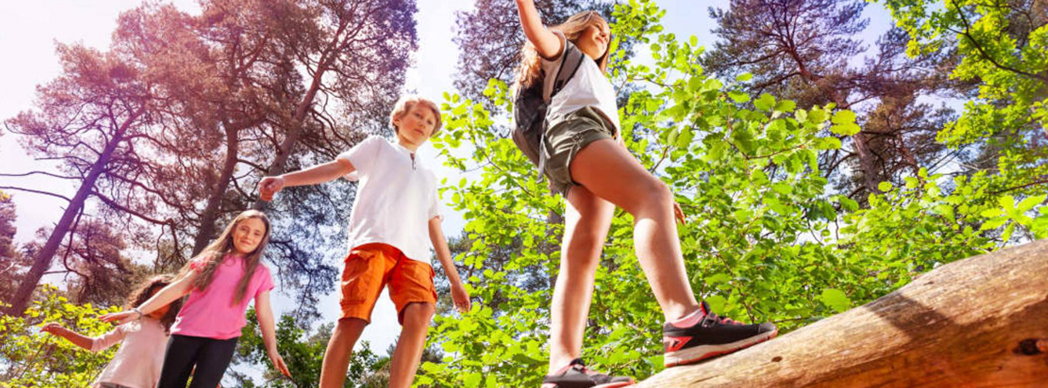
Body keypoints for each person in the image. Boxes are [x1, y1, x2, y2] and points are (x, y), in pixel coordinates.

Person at [511, 1, 778, 386]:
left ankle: (562, 369)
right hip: (574, 134)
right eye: (595, 27)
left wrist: (656, 192)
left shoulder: (595, 83)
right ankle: (686, 323)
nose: (604, 34)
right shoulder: (562, 52)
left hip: (579, 145)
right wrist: (654, 194)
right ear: (575, 30)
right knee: (648, 199)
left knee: (581, 254)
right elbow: (535, 30)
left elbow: (617, 149)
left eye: (608, 32)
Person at [257, 94, 472, 388]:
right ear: (398, 119)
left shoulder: (428, 176)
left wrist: (454, 279)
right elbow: (336, 168)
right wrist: (285, 179)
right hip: (373, 243)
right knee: (353, 321)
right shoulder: (378, 147)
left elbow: (434, 226)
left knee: (421, 312)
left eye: (430, 122)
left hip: (416, 256)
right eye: (418, 116)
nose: (424, 123)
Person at [101, 210, 290, 388]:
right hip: (186, 333)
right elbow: (177, 288)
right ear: (233, 230)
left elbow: (264, 312)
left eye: (257, 233)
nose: (249, 236)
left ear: (262, 239)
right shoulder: (211, 259)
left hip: (223, 340)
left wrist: (272, 348)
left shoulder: (260, 272)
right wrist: (138, 311)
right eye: (244, 229)